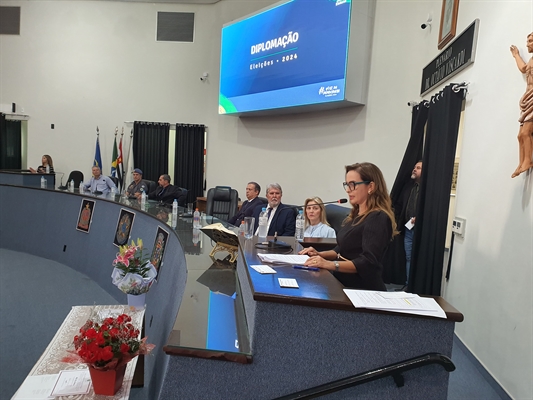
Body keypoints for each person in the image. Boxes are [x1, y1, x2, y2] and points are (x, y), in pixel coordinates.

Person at [299, 162, 398, 291]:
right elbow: (341, 249)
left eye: (353, 184)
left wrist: (329, 264)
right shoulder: (356, 215)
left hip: (362, 289)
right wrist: (319, 255)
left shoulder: (378, 217)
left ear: (371, 186)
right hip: (343, 283)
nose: (348, 190)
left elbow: (368, 262)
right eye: (347, 184)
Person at [510, 32, 533, 178]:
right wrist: (516, 55)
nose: (527, 44)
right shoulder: (531, 60)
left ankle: (528, 161)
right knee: (520, 135)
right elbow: (524, 69)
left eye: (530, 41)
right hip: (528, 96)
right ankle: (521, 162)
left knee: (526, 132)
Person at [401, 161, 422, 288]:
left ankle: (416, 286)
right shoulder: (409, 187)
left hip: (421, 229)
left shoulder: (427, 191)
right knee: (408, 257)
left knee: (418, 258)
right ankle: (408, 285)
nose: (414, 169)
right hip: (408, 228)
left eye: (418, 168)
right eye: (414, 167)